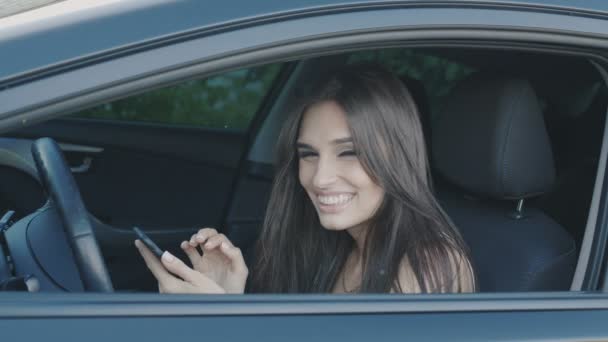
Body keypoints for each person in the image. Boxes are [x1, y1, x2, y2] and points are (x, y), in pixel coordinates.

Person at [135, 65, 476, 294]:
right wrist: (230, 299)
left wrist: (222, 324)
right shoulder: (337, 245)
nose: (320, 178)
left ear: (399, 157)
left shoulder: (428, 265)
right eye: (308, 154)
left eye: (349, 152)